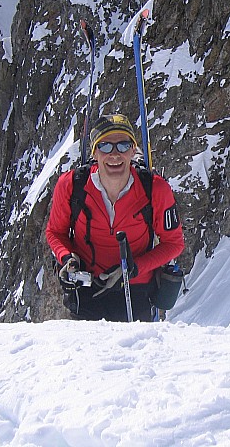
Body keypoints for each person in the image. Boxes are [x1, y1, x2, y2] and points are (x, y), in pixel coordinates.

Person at [46, 114, 184, 321]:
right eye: (105, 146)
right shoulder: (71, 185)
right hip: (86, 290)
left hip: (136, 292)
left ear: (132, 150)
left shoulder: (154, 189)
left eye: (123, 145)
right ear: (95, 152)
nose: (114, 154)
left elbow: (174, 243)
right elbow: (55, 232)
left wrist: (133, 269)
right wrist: (67, 257)